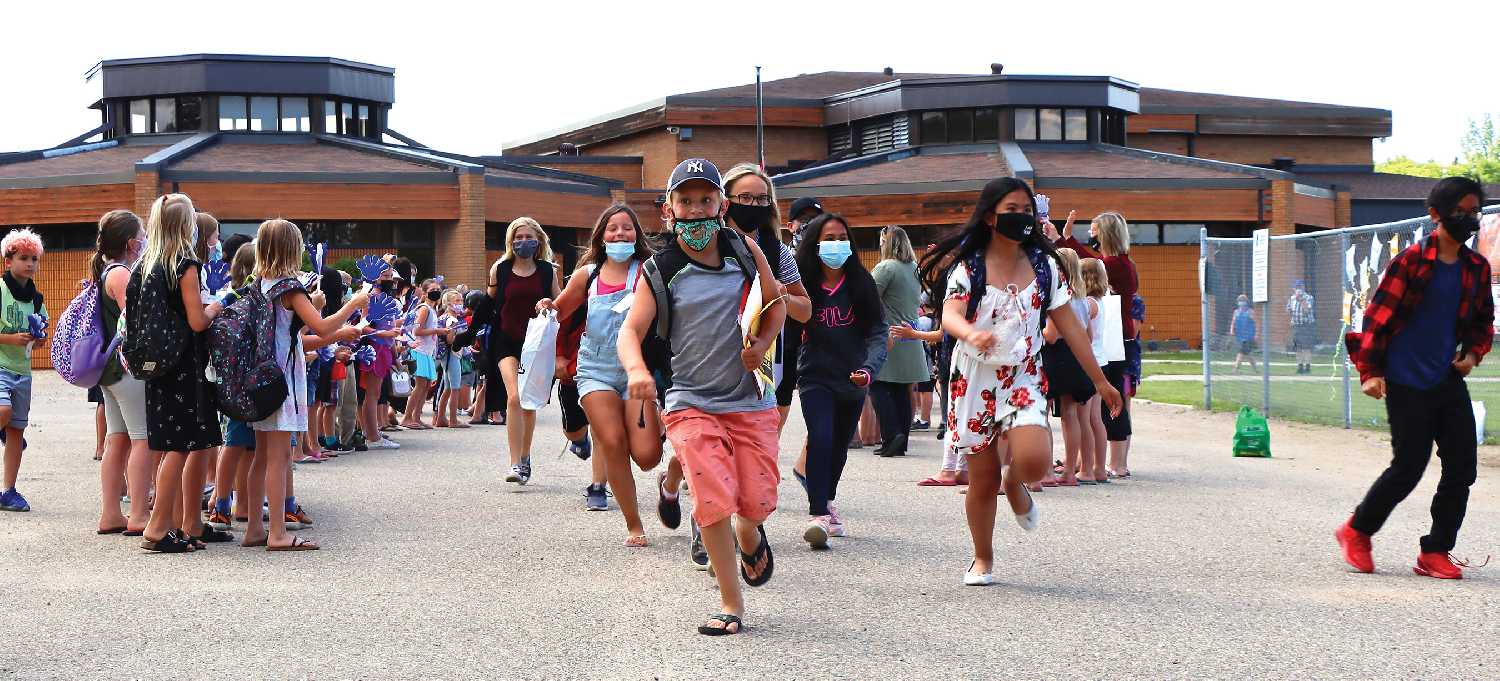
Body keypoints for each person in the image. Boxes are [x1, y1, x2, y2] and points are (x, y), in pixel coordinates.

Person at [918, 177, 1121, 586]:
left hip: (1024, 374)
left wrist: (1101, 381)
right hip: (973, 378)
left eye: (1026, 210)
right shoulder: (969, 266)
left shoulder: (1047, 268)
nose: (1021, 218)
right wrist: (969, 333)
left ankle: (1016, 484)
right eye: (1012, 210)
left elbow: (1072, 329)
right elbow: (951, 314)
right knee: (981, 477)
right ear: (991, 216)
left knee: (1035, 460)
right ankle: (982, 558)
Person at [617, 158, 786, 636]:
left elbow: (773, 308)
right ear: (668, 209)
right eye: (685, 201)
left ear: (722, 204)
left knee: (753, 505)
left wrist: (760, 344)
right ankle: (731, 604)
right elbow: (631, 330)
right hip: (690, 401)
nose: (695, 211)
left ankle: (750, 536)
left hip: (750, 402)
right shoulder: (661, 268)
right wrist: (636, 370)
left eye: (705, 200)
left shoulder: (745, 250)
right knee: (712, 497)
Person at [1337, 177, 1492, 580]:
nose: (1469, 218)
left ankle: (1436, 551)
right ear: (1436, 214)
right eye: (1461, 211)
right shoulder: (1410, 261)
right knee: (1408, 466)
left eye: (1474, 211)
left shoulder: (1475, 268)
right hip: (1404, 379)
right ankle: (1357, 530)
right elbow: (1377, 318)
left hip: (1445, 378)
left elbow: (1481, 321)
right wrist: (1370, 372)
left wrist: (1473, 353)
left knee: (1462, 468)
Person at [539, 204, 663, 545]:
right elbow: (560, 311)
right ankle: (634, 524)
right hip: (595, 370)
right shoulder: (587, 276)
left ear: (636, 234)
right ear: (601, 236)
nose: (620, 234)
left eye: (626, 228)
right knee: (611, 441)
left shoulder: (649, 271)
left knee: (648, 456)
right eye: (612, 229)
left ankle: (662, 458)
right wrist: (545, 308)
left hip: (637, 371)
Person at [241, 219, 366, 552]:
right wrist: (352, 306)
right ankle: (278, 532)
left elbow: (292, 333)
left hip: (261, 375)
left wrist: (316, 308)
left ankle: (255, 526)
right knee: (280, 457)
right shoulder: (291, 289)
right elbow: (322, 330)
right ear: (291, 249)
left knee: (261, 456)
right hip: (283, 376)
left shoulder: (259, 285)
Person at [134, 194, 225, 552]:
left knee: (173, 442)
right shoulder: (184, 264)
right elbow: (196, 321)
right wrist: (216, 306)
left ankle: (174, 523)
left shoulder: (145, 264)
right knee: (180, 445)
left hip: (157, 364)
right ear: (187, 225)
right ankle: (157, 527)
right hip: (185, 365)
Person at [793, 213, 887, 549]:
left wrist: (869, 369)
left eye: (841, 237)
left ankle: (827, 498)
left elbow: (878, 333)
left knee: (839, 447)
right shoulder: (802, 284)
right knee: (821, 437)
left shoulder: (862, 285)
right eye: (829, 238)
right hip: (815, 376)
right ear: (816, 243)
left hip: (854, 379)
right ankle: (817, 513)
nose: (836, 244)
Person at [721, 163, 811, 432]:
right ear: (725, 202)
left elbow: (805, 309)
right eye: (745, 198)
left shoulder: (777, 251)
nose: (753, 205)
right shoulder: (709, 245)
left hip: (768, 356)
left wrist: (780, 294)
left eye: (761, 199)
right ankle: (678, 471)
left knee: (759, 445)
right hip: (714, 353)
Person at [1052, 211, 1138, 477]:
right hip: (1114, 339)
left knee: (1110, 404)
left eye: (1094, 230)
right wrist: (1065, 239)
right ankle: (1091, 461)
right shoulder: (1119, 263)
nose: (1091, 235)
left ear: (1106, 233)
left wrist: (1063, 240)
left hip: (1115, 342)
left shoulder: (1115, 264)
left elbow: (1090, 264)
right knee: (1098, 410)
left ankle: (1115, 462)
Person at [90, 210, 158, 534]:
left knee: (117, 440)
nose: (146, 240)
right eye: (143, 235)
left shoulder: (105, 271)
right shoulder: (122, 274)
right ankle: (140, 513)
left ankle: (111, 513)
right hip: (128, 368)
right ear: (133, 243)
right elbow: (137, 319)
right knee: (142, 440)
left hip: (110, 371)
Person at [488, 217, 562, 484]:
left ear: (538, 240)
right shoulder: (501, 269)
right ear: (511, 242)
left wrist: (549, 304)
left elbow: (560, 302)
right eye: (517, 238)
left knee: (528, 402)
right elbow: (490, 304)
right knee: (514, 398)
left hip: (535, 343)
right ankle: (514, 463)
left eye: (528, 237)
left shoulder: (547, 271)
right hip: (506, 340)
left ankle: (525, 456)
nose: (523, 242)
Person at [1040, 248, 1098, 487]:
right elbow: (1089, 336)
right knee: (1070, 415)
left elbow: (1051, 335)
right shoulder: (1082, 300)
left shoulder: (1058, 297)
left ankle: (1046, 473)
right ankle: (1070, 472)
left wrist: (1037, 331)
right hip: (1076, 356)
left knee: (1041, 414)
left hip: (1056, 356)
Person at [870, 225, 928, 457]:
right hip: (910, 334)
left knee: (879, 386)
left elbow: (869, 297)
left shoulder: (886, 267)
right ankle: (901, 438)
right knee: (902, 391)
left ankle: (891, 436)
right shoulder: (914, 268)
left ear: (888, 242)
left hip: (889, 333)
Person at [0, 228, 47, 513]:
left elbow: (40, 331)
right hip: (1, 366)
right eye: (23, 258)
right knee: (3, 413)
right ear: (8, 261)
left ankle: (9, 490)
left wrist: (39, 339)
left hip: (23, 372)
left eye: (34, 259)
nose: (29, 264)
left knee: (17, 430)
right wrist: (9, 339)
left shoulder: (36, 298)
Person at [400, 279, 443, 429]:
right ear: (424, 293)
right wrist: (437, 331)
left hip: (427, 351)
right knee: (419, 386)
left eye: (438, 288)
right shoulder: (424, 308)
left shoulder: (433, 310)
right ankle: (407, 417)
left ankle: (416, 417)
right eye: (433, 289)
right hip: (419, 350)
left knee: (425, 386)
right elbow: (416, 331)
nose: (436, 291)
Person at [1287, 280, 1316, 374]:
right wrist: (1292, 319)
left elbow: (1307, 310)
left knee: (1306, 347)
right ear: (1294, 288)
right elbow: (1289, 310)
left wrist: (1301, 300)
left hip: (1307, 325)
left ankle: (1307, 367)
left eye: (1300, 287)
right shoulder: (1291, 298)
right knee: (1298, 348)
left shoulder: (1309, 297)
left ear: (1303, 287)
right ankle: (1300, 367)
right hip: (1297, 325)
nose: (1298, 289)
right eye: (1296, 287)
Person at [1232, 294, 1258, 373]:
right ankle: (1255, 369)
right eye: (1240, 301)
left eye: (1243, 301)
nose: (1241, 303)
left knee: (1241, 352)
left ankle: (1235, 369)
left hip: (1249, 336)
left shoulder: (1250, 312)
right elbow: (1233, 322)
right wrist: (1232, 330)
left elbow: (1256, 323)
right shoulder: (1236, 312)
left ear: (1246, 302)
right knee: (1248, 354)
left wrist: (1257, 334)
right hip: (1240, 336)